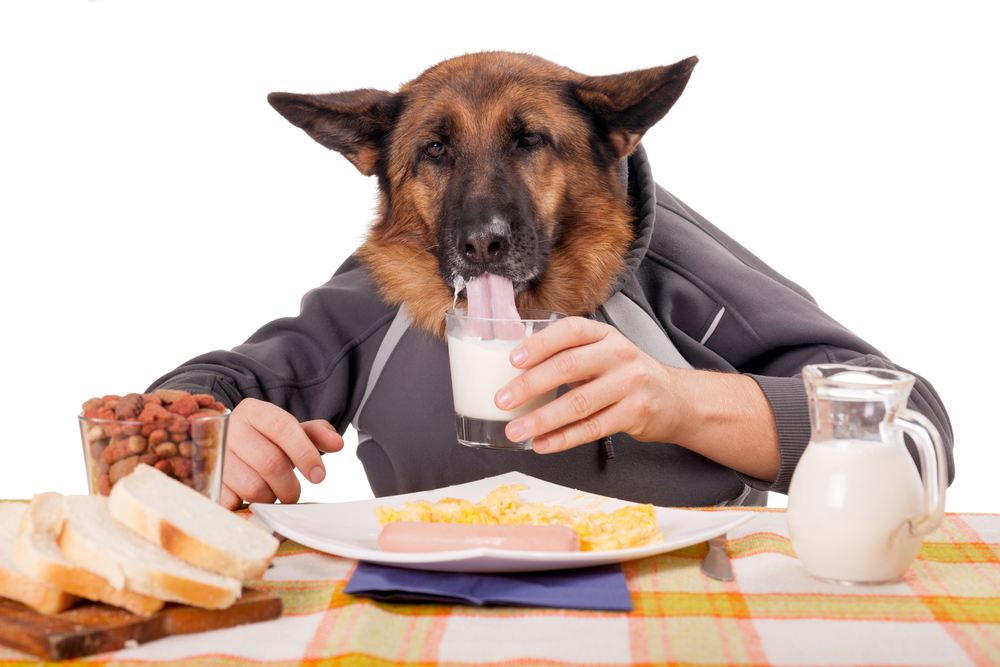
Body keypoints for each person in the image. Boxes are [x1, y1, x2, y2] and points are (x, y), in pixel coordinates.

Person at [150, 145, 954, 510]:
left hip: (684, 624)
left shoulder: (673, 269)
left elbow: (917, 430)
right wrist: (210, 444)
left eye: (528, 144)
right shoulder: (401, 279)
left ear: (606, 147)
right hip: (426, 628)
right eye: (438, 156)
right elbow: (187, 400)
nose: (484, 222)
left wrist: (678, 399)